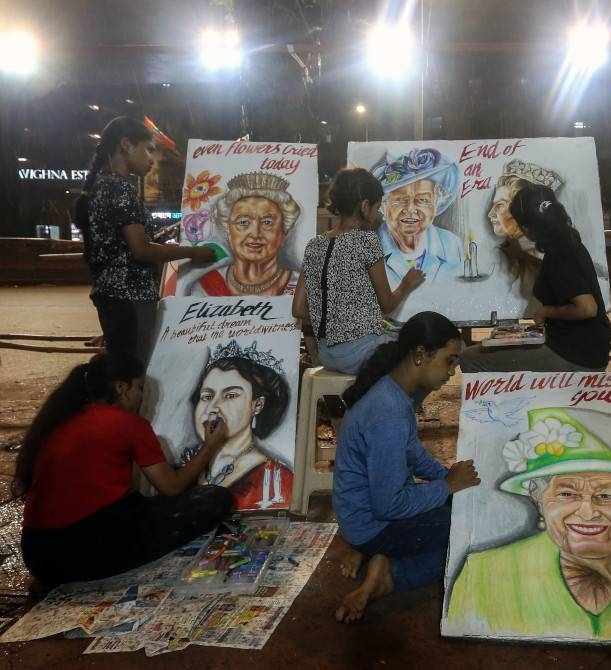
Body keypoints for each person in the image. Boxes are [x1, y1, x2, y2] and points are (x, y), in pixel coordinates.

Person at [447, 407, 611, 642]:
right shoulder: (481, 576)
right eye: (566, 494)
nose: (587, 513)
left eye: (607, 495)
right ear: (542, 504)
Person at [16, 352, 233, 585]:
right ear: (121, 387)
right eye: (140, 388)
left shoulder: (61, 418)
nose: (142, 398)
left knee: (143, 506)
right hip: (78, 552)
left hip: (37, 554)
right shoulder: (128, 423)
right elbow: (172, 487)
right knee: (213, 498)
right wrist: (210, 446)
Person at [332, 312, 479, 623]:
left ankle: (372, 552)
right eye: (449, 361)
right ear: (419, 355)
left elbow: (412, 454)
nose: (452, 373)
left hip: (364, 516)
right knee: (473, 539)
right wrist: (448, 487)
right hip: (375, 522)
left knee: (461, 505)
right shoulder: (388, 414)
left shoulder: (394, 393)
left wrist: (448, 479)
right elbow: (388, 505)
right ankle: (391, 574)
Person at [76, 117, 216, 365]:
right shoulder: (120, 189)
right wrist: (192, 253)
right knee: (134, 375)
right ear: (126, 144)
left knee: (123, 370)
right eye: (149, 149)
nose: (153, 159)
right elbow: (140, 249)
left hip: (112, 298)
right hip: (131, 298)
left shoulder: (100, 186)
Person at [460, 185, 611, 373]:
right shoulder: (564, 241)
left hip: (575, 354)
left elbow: (587, 308)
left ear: (526, 227)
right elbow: (558, 276)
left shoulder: (561, 253)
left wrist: (546, 311)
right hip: (583, 349)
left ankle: (500, 404)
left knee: (470, 358)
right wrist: (521, 255)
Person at [292, 168, 424, 374]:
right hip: (362, 354)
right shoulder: (365, 241)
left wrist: (334, 317)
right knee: (426, 360)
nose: (378, 214)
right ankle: (395, 406)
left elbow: (298, 309)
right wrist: (407, 283)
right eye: (376, 207)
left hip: (327, 355)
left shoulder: (314, 245)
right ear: (364, 206)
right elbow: (387, 304)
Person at [181, 340, 293, 510]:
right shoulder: (182, 470)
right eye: (207, 396)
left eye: (230, 395)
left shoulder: (276, 480)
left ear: (257, 405)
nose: (213, 408)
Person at [185, 172, 302, 297]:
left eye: (267, 222)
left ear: (285, 233)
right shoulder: (204, 288)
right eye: (243, 222)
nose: (255, 233)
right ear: (228, 231)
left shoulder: (300, 286)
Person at [371, 148, 463, 284]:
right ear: (383, 205)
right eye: (400, 199)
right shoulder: (371, 248)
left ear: (436, 203)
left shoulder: (452, 245)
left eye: (423, 200)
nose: (410, 209)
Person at [487, 160, 562, 299]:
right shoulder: (502, 253)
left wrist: (522, 255)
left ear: (521, 210)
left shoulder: (547, 251)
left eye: (500, 205)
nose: (490, 214)